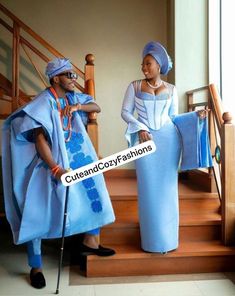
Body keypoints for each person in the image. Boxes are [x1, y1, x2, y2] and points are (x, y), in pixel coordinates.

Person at [2, 57, 115, 289]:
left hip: (76, 158)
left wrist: (78, 107)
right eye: (69, 75)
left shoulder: (72, 97)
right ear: (56, 78)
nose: (74, 79)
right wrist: (55, 169)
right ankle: (36, 266)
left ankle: (90, 242)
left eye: (74, 75)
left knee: (95, 190)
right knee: (36, 209)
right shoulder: (44, 102)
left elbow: (97, 107)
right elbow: (39, 138)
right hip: (49, 164)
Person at [121, 41, 212, 254]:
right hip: (145, 141)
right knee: (148, 189)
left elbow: (173, 118)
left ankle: (168, 241)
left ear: (159, 65)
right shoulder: (133, 86)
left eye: (148, 64)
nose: (143, 68)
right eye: (142, 64)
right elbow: (125, 112)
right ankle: (151, 242)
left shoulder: (172, 89)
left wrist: (195, 117)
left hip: (169, 141)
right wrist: (141, 127)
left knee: (168, 190)